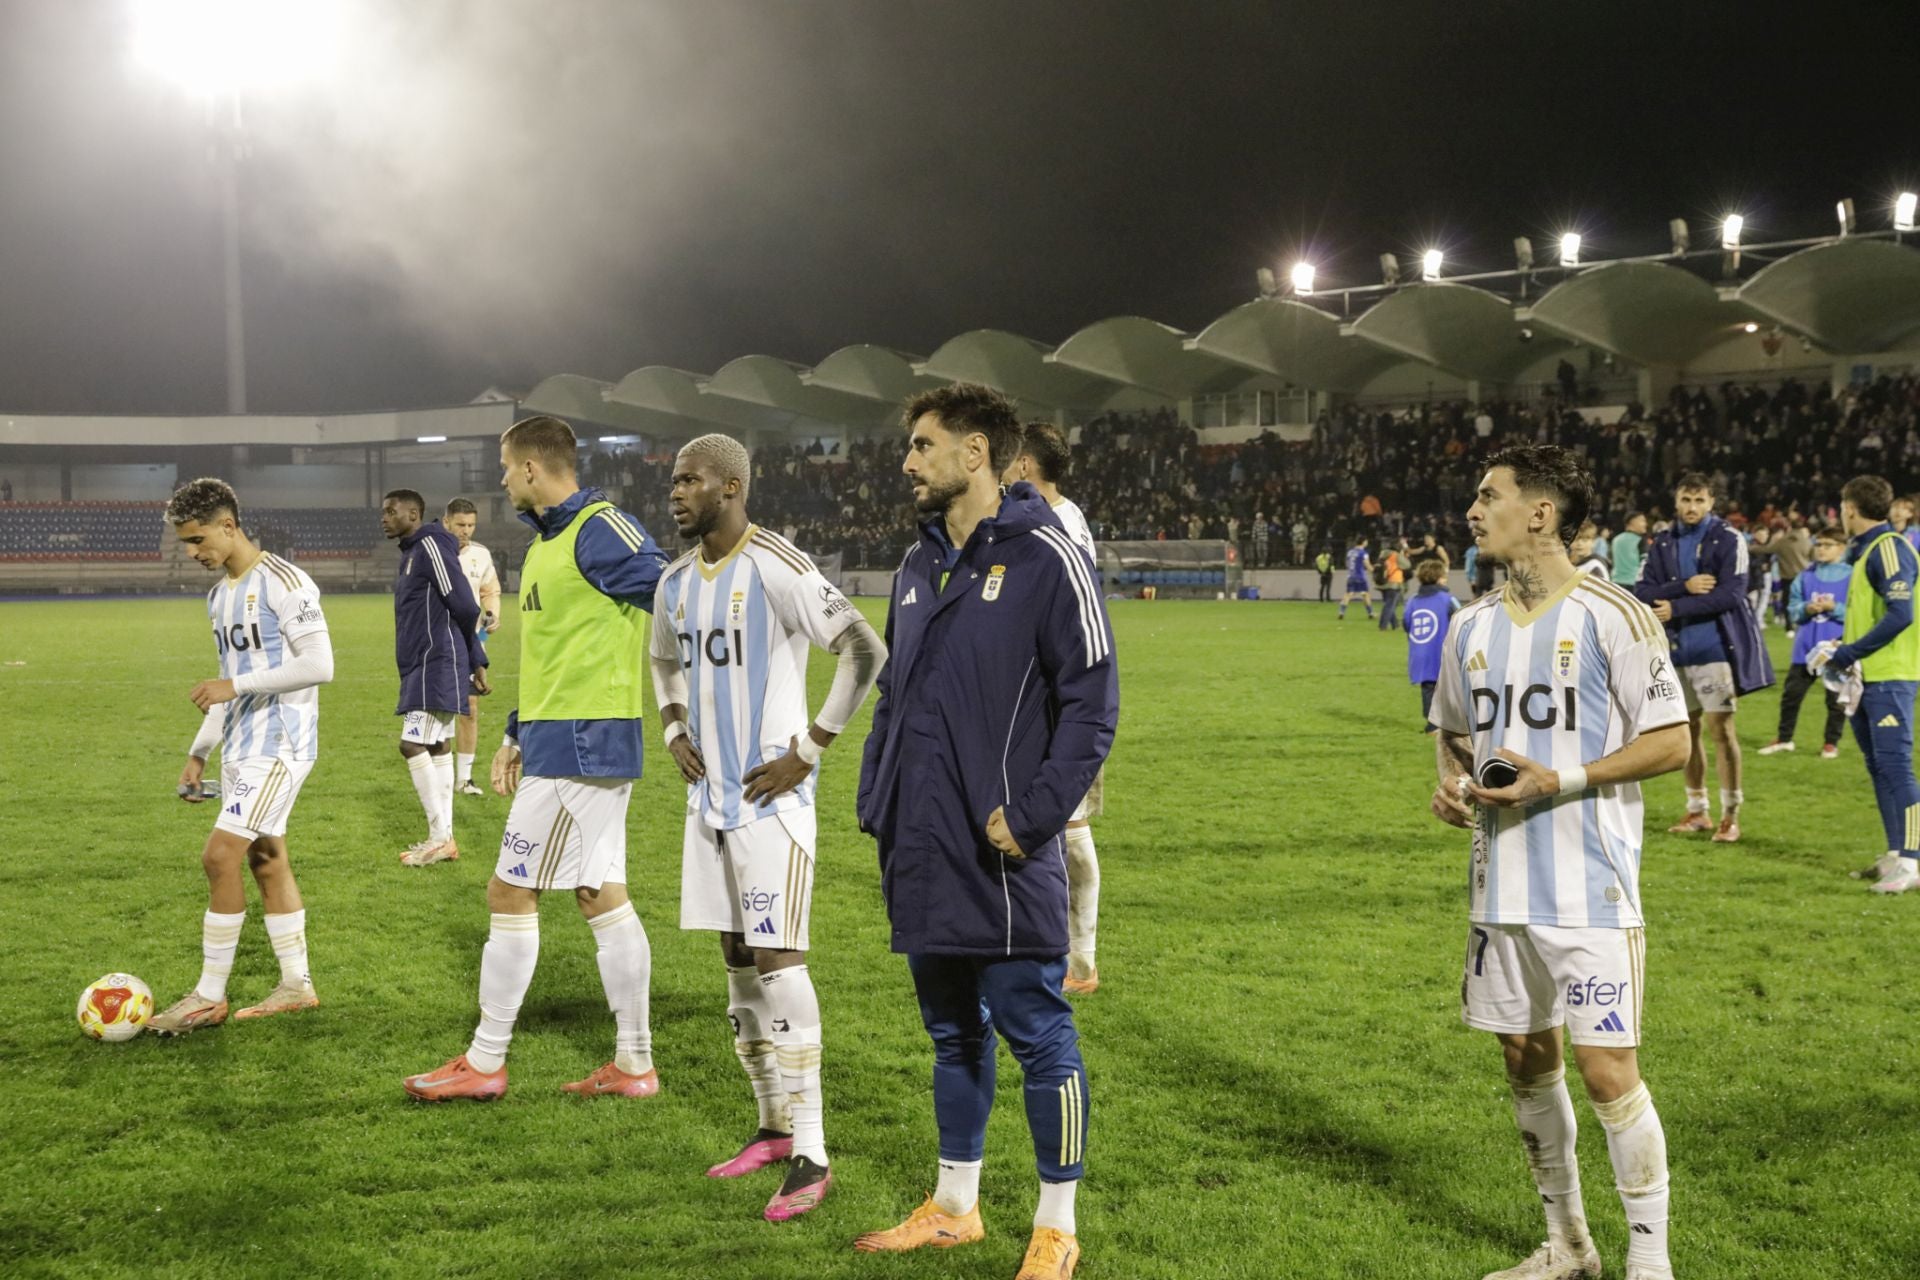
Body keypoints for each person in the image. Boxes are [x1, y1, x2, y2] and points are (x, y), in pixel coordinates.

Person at [854, 383, 1117, 1280]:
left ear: (976, 454)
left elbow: (1092, 702)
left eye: (923, 445)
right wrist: (877, 797)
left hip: (1003, 844)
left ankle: (1057, 1223)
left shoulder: (1049, 554)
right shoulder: (917, 563)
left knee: (1035, 1027)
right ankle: (956, 1206)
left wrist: (1037, 816)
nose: (908, 462)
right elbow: (897, 692)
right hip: (921, 838)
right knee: (950, 1031)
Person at [1429, 445, 1689, 1280]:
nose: (1474, 510)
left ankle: (1650, 1264)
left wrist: (1561, 778)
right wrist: (1451, 783)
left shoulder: (1618, 615)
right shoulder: (1470, 626)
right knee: (1523, 1060)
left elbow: (1672, 742)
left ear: (1540, 514)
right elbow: (1454, 732)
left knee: (1608, 1071)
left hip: (1591, 887)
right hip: (1497, 884)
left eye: (1488, 496)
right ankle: (1569, 1245)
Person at [650, 433, 887, 1221]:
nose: (677, 493)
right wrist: (672, 726)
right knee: (737, 961)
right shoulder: (676, 580)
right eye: (674, 482)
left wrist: (811, 749)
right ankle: (773, 1127)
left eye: (690, 481)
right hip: (708, 804)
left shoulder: (776, 564)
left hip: (771, 805)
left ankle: (815, 1153)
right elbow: (663, 661)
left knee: (780, 963)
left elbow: (862, 647)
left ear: (731, 484)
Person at [403, 415, 671, 1101]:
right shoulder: (547, 546)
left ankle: (486, 1062)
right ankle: (634, 1065)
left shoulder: (600, 527)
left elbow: (673, 593)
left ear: (530, 469)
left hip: (584, 743)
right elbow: (555, 655)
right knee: (599, 893)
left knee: (509, 891)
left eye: (503, 465)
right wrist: (517, 731)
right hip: (559, 739)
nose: (498, 479)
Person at [152, 478, 335, 1034]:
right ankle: (295, 986)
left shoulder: (285, 581)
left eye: (198, 538)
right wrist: (199, 752)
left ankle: (209, 995)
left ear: (229, 525)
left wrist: (235, 688)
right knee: (266, 857)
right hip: (241, 746)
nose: (193, 552)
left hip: (281, 743)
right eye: (185, 543)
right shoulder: (218, 596)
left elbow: (319, 664)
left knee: (219, 857)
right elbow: (229, 684)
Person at [1003, 423, 1107, 995]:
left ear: (1022, 465)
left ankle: (1080, 961)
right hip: (1051, 696)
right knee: (1053, 829)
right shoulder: (1067, 516)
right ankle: (1055, 949)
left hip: (1059, 702)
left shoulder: (1053, 525)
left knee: (1066, 830)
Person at [1632, 473, 1773, 843]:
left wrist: (1675, 606)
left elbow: (1733, 593)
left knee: (1721, 731)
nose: (1691, 507)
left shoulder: (1728, 538)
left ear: (1712, 502)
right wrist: (1684, 587)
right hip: (1673, 653)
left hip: (1713, 651)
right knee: (1687, 732)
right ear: (1676, 502)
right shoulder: (1662, 541)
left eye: (1699, 500)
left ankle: (1731, 813)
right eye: (1685, 500)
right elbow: (1642, 591)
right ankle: (1697, 811)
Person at [1813, 476, 1920, 895]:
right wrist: (1843, 645)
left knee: (1897, 769)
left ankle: (1913, 861)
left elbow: (1901, 615)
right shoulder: (1868, 552)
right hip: (1867, 678)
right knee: (1879, 768)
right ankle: (1895, 854)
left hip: (1891, 676)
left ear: (1850, 508)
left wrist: (1848, 652)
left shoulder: (1889, 548)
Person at [379, 490, 488, 865]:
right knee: (438, 746)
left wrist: (475, 655)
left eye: (392, 511)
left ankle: (439, 837)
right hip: (425, 661)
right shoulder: (412, 552)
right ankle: (446, 839)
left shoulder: (428, 545)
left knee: (411, 745)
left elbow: (462, 602)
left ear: (414, 514)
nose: (385, 517)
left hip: (434, 660)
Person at [1761, 527, 1849, 759]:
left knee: (1836, 699)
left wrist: (1834, 609)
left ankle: (1831, 743)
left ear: (1842, 548)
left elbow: (1857, 613)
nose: (1821, 549)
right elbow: (1793, 611)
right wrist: (1806, 609)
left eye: (1827, 545)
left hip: (1836, 649)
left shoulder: (1853, 577)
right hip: (1805, 649)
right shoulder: (1805, 575)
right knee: (1791, 696)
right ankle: (1784, 739)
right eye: (1818, 544)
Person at [443, 498, 502, 797]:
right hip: (439, 640)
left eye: (470, 525)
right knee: (439, 709)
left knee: (470, 709)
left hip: (472, 640)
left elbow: (489, 589)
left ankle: (463, 779)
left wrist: (492, 613)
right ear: (446, 522)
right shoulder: (435, 552)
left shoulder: (481, 555)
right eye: (460, 525)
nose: (465, 531)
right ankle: (438, 774)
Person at [1402, 559, 1457, 731]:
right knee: (1449, 687)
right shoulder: (1448, 599)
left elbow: (1406, 623)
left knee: (1428, 688)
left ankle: (1432, 725)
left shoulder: (1412, 601)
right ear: (1440, 578)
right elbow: (1463, 619)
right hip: (1440, 652)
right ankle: (1445, 724)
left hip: (1420, 652)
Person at [1338, 536, 1374, 620]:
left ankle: (1341, 612)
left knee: (1348, 594)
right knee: (1365, 594)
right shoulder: (1363, 553)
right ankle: (1370, 613)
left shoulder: (1350, 552)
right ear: (1364, 542)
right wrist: (1373, 571)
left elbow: (1347, 563)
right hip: (1360, 576)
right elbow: (1367, 564)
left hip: (1351, 576)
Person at [1377, 537, 1407, 630]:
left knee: (1389, 603)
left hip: (1383, 582)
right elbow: (1407, 565)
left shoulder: (1383, 554)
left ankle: (1395, 624)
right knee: (1390, 605)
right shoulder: (1396, 555)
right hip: (1394, 582)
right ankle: (1383, 625)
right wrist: (1403, 552)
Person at [1611, 513, 1647, 588]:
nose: (1646, 524)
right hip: (1633, 583)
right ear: (1632, 522)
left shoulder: (1616, 539)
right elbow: (1645, 564)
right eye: (1642, 521)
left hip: (1615, 582)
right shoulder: (1640, 540)